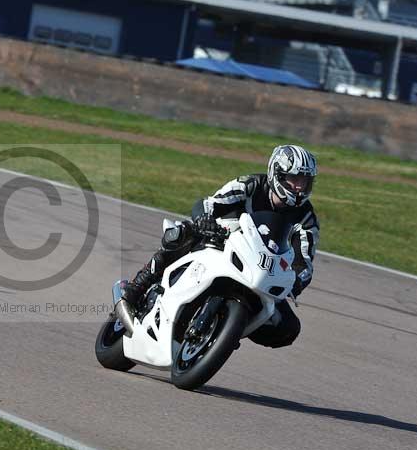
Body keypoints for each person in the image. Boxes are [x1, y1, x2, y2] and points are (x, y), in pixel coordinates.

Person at [121, 144, 319, 349]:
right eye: (294, 179)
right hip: (222, 241)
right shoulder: (250, 185)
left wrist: (294, 283)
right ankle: (138, 287)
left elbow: (304, 261)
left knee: (288, 328)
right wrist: (205, 219)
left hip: (260, 270)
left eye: (305, 181)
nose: (299, 187)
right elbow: (209, 203)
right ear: (276, 174)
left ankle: (227, 332)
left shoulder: (307, 219)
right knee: (182, 232)